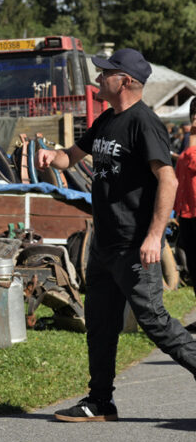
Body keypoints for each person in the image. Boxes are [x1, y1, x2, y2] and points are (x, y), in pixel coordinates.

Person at [36, 48, 196, 422]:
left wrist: (155, 236)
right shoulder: (107, 121)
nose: (98, 76)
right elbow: (70, 157)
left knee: (156, 322)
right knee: (100, 324)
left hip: (134, 245)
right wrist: (49, 155)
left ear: (125, 81)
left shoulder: (144, 122)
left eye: (105, 72)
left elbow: (167, 179)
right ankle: (100, 402)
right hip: (104, 246)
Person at [173, 97, 196, 330]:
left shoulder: (192, 147)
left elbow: (193, 163)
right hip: (188, 212)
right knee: (191, 265)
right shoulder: (188, 145)